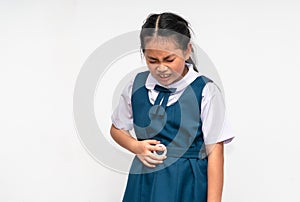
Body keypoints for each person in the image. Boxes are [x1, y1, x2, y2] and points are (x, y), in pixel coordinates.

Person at [110, 12, 234, 202]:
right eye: (153, 60)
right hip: (144, 181)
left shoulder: (205, 90)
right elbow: (117, 129)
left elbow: (215, 151)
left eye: (169, 59)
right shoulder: (136, 86)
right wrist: (135, 146)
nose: (161, 68)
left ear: (187, 51)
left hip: (187, 182)